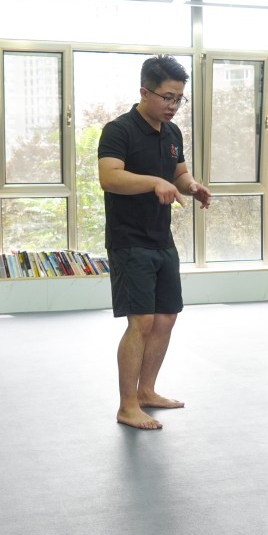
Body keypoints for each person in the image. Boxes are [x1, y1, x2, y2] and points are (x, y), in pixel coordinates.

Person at [97, 55, 212, 430]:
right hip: (129, 240)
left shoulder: (172, 133)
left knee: (166, 318)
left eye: (179, 98)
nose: (172, 105)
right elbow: (109, 178)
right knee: (141, 321)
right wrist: (152, 181)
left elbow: (178, 173)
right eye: (166, 97)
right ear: (144, 92)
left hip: (162, 240)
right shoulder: (119, 130)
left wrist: (191, 186)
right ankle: (127, 405)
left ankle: (146, 390)